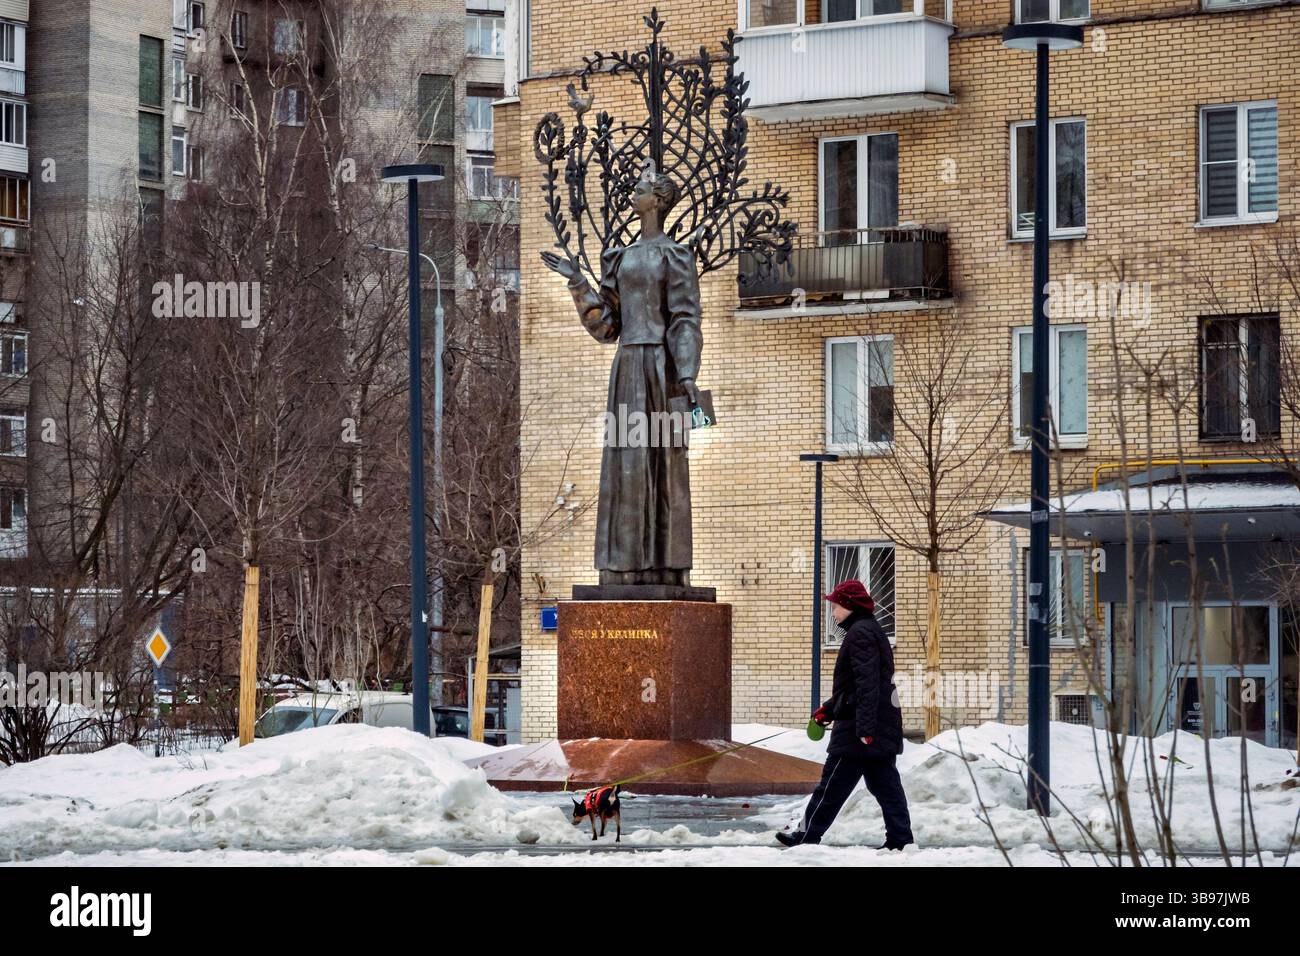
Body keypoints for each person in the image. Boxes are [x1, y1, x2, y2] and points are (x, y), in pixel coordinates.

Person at [777, 579, 914, 849]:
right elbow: (856, 687)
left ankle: (806, 837)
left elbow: (867, 686)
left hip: (859, 731)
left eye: (836, 606)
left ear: (850, 606)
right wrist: (828, 710)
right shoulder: (868, 630)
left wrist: (865, 730)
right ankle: (900, 840)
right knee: (886, 788)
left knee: (831, 787)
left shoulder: (860, 634)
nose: (833, 612)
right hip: (876, 724)